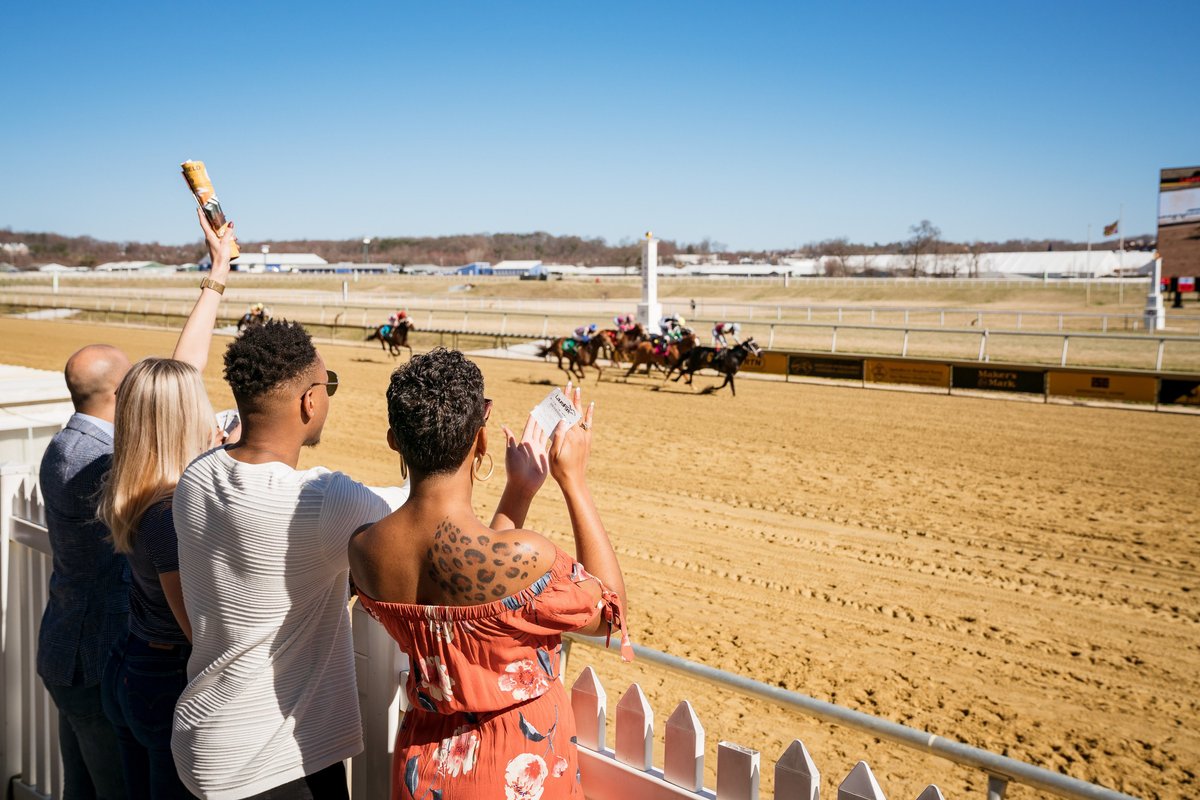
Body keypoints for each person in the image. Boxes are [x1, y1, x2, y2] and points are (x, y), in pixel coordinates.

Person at [348, 352, 631, 800]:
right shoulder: (528, 554)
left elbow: (465, 590)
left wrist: (518, 492)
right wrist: (574, 481)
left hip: (423, 769)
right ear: (480, 440)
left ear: (393, 440)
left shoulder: (365, 549)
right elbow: (609, 613)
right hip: (515, 770)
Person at [170, 319, 408, 799]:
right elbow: (411, 514)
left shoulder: (197, 474)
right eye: (329, 384)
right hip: (268, 762)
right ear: (309, 400)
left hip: (207, 737)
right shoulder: (319, 499)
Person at [98, 209, 236, 799]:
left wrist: (219, 269)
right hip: (163, 678)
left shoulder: (132, 474)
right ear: (185, 420)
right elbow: (199, 630)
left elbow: (182, 369)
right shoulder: (170, 513)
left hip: (132, 665)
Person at [38, 342, 132, 800]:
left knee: (81, 788)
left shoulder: (63, 444)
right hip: (93, 661)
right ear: (118, 391)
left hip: (65, 647)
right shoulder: (103, 459)